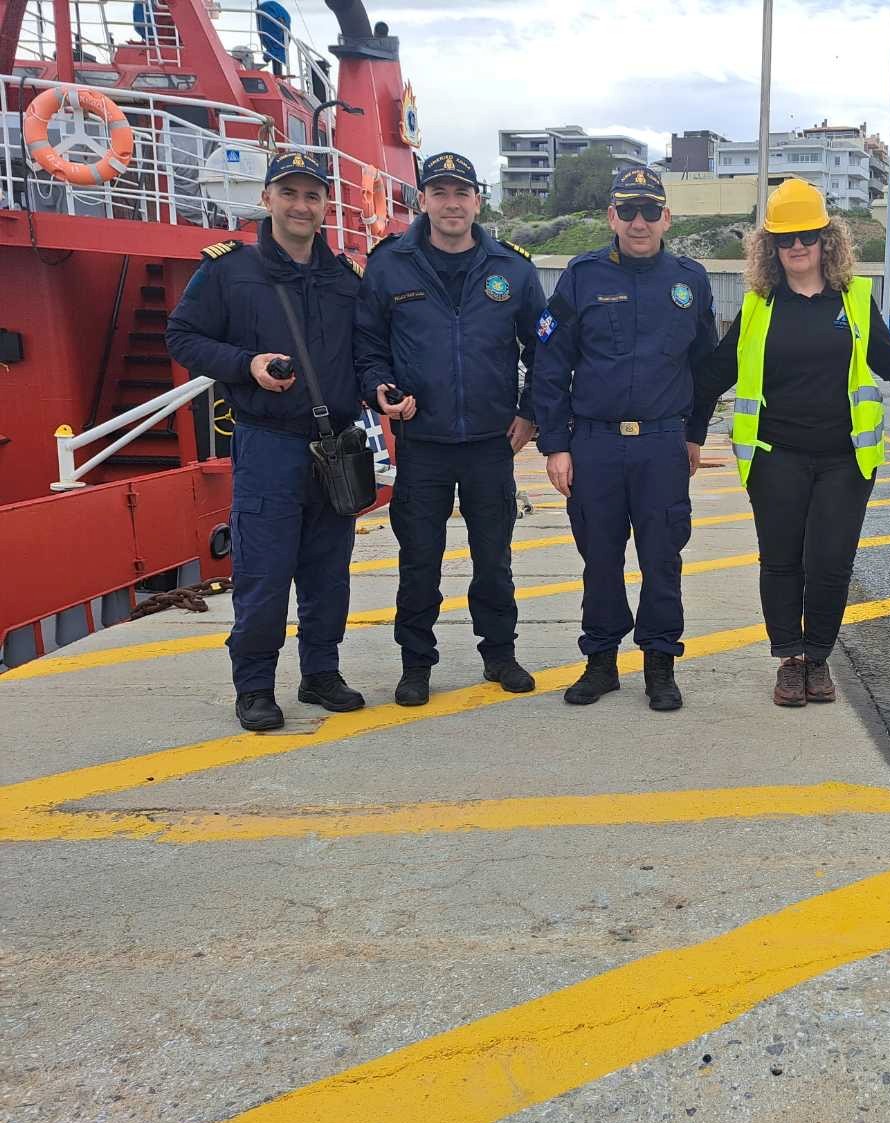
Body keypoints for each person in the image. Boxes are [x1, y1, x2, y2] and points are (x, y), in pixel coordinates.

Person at [693, 180, 890, 706]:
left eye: (807, 236)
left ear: (826, 239)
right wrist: (686, 431)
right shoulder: (758, 306)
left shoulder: (854, 300)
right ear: (769, 246)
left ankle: (818, 657)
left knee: (831, 563)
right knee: (781, 560)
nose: (797, 247)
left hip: (845, 458)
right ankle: (789, 659)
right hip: (776, 457)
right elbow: (713, 375)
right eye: (784, 238)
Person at [167, 151, 365, 731]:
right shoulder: (229, 271)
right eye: (289, 193)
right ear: (267, 199)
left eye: (312, 196)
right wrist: (245, 364)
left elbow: (367, 351)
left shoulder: (346, 278)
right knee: (265, 572)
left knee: (329, 573)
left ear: (325, 205)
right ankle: (254, 686)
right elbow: (182, 336)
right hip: (268, 444)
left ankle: (321, 673)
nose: (301, 206)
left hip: (335, 446)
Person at [354, 151, 545, 707]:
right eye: (440, 192)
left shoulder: (513, 269)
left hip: (491, 443)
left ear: (477, 201)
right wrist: (380, 388)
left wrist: (530, 411)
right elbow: (368, 345)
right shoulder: (389, 265)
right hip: (423, 443)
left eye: (462, 193)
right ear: (423, 201)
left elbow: (544, 348)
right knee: (419, 561)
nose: (452, 203)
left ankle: (500, 654)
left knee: (494, 560)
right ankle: (416, 664)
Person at [531, 166, 718, 712]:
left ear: (667, 218)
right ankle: (601, 662)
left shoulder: (690, 280)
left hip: (662, 443)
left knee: (662, 559)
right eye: (629, 211)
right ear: (611, 216)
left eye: (650, 211)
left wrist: (694, 434)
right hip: (595, 444)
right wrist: (556, 445)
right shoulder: (582, 276)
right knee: (600, 559)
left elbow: (705, 368)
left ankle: (660, 664)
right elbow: (550, 363)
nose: (640, 222)